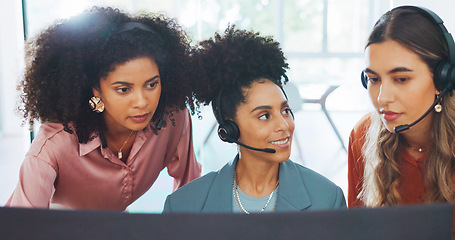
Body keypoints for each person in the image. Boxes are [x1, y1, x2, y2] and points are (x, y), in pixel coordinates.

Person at [6, 6, 201, 210]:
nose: (142, 102)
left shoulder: (172, 118)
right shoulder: (53, 146)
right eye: (124, 89)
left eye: (151, 84)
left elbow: (191, 194)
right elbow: (23, 227)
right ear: (96, 89)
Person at [163, 26, 346, 213]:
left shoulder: (327, 200)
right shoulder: (183, 205)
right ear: (229, 127)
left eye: (285, 111)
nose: (284, 125)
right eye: (264, 116)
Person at [348, 6, 455, 211]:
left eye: (401, 79)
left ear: (442, 79)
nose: (382, 98)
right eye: (373, 79)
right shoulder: (362, 134)